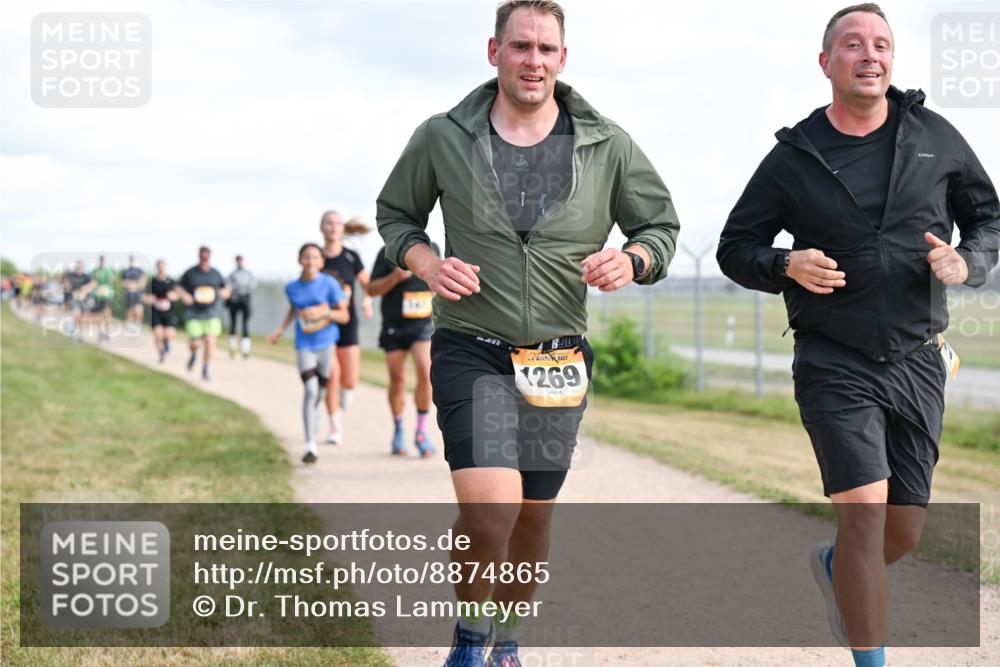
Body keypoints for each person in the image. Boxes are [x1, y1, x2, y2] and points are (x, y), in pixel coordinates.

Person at [376, 2, 680, 664]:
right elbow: (397, 213)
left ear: (563, 59)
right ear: (494, 52)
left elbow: (661, 229)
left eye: (546, 48)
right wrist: (426, 262)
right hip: (469, 348)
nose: (533, 60)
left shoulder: (609, 144)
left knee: (532, 516)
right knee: (492, 514)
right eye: (520, 46)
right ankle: (469, 636)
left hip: (558, 358)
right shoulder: (442, 135)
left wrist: (632, 259)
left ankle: (506, 636)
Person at [716, 5, 1000, 666]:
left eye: (881, 44)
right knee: (867, 520)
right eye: (852, 44)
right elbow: (737, 246)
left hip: (919, 356)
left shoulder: (936, 137)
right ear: (826, 62)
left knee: (901, 530)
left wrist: (969, 262)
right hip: (832, 358)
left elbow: (988, 218)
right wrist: (785, 263)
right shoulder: (795, 157)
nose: (869, 55)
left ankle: (834, 562)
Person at [268, 243, 348, 464]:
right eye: (306, 257)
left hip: (326, 344)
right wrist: (280, 330)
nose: (311, 261)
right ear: (299, 260)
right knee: (311, 390)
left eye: (315, 258)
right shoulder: (291, 287)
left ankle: (317, 418)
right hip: (304, 344)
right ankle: (310, 444)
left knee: (321, 391)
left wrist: (325, 312)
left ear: (321, 262)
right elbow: (294, 310)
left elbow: (344, 315)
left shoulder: (330, 284)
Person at [367, 242, 440, 457]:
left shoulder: (433, 248)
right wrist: (396, 277)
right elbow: (371, 289)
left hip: (422, 324)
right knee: (397, 380)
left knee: (425, 373)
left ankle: (421, 431)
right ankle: (398, 430)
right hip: (394, 325)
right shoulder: (387, 251)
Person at [319, 211, 374, 444]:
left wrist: (367, 300)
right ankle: (334, 426)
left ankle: (344, 392)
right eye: (329, 223)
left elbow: (368, 284)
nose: (333, 227)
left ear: (342, 229)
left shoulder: (351, 257)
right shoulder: (316, 257)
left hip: (348, 322)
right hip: (323, 324)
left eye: (337, 223)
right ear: (322, 228)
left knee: (349, 381)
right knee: (332, 375)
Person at [177, 246, 231, 380]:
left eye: (207, 257)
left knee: (210, 340)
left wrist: (224, 294)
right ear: (199, 257)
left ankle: (205, 368)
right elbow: (178, 288)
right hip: (194, 313)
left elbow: (225, 289)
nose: (204, 260)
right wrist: (184, 296)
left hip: (211, 313)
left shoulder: (215, 273)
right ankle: (194, 354)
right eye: (202, 257)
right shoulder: (190, 273)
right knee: (195, 344)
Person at [145, 259, 179, 363]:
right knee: (157, 334)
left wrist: (174, 296)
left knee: (169, 334)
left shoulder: (171, 281)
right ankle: (161, 353)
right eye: (159, 266)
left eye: (163, 266)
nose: (161, 268)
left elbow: (177, 294)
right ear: (157, 267)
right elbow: (144, 296)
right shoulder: (152, 282)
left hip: (168, 312)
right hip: (156, 312)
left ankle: (167, 343)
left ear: (165, 267)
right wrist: (149, 299)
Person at [227, 254, 257, 359]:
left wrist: (243, 288)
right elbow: (228, 285)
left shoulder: (248, 273)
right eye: (238, 261)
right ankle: (232, 347)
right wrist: (235, 289)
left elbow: (253, 284)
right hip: (234, 300)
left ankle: (245, 349)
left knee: (245, 324)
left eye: (241, 260)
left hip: (245, 300)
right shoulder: (232, 274)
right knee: (233, 324)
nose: (239, 262)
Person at [88, 255, 116, 342]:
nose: (102, 262)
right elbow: (93, 282)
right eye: (100, 260)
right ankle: (101, 332)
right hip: (98, 295)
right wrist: (95, 278)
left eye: (103, 260)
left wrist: (110, 279)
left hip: (107, 295)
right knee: (100, 315)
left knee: (107, 312)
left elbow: (113, 280)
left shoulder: (108, 270)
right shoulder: (95, 271)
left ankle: (107, 332)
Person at [120, 255, 147, 327]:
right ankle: (130, 324)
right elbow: (122, 282)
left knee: (138, 309)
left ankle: (138, 323)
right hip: (128, 293)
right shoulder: (125, 271)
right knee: (129, 309)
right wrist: (129, 285)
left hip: (138, 293)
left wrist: (135, 285)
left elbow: (143, 281)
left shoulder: (140, 270)